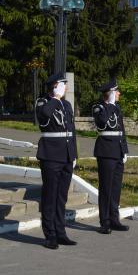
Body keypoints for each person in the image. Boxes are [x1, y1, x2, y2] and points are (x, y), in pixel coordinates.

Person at [35, 72, 78, 250]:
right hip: (51, 155)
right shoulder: (43, 102)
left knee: (61, 197)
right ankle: (50, 234)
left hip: (66, 156)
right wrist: (55, 97)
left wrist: (74, 155)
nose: (66, 87)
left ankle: (61, 232)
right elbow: (44, 115)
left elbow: (71, 130)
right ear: (55, 86)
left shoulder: (66, 104)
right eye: (63, 84)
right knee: (50, 196)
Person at [93, 79, 130, 234]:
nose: (119, 94)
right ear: (111, 93)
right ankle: (105, 221)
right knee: (106, 188)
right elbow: (102, 123)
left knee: (115, 188)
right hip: (106, 151)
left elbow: (121, 130)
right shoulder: (99, 107)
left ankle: (114, 219)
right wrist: (109, 104)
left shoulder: (117, 108)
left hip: (118, 150)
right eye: (117, 91)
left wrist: (125, 150)